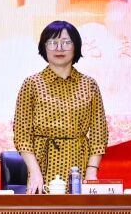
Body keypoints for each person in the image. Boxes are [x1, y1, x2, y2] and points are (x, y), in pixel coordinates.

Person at [13, 21, 108, 194]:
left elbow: (99, 133)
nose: (59, 48)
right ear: (44, 47)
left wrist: (91, 171)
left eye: (66, 42)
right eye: (52, 42)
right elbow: (22, 135)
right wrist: (34, 172)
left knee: (79, 210)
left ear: (76, 46)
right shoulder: (31, 84)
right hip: (42, 165)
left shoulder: (89, 85)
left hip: (79, 165)